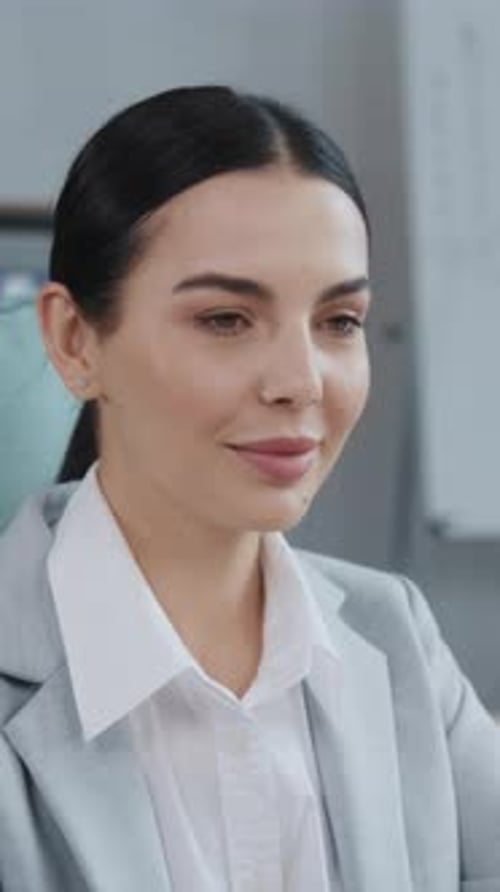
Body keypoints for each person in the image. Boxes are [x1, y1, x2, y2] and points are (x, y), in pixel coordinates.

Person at [0, 86, 498, 892]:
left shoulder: (394, 636)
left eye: (339, 322)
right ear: (73, 339)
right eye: (227, 319)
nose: (301, 383)